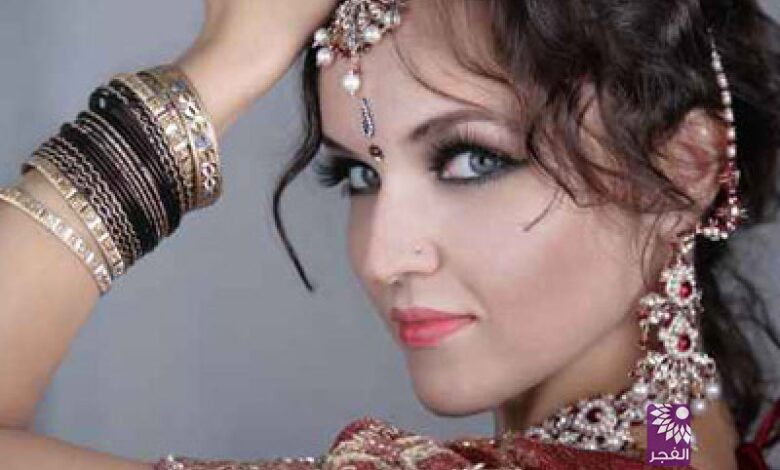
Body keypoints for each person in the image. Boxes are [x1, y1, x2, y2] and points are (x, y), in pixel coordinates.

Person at [0, 0, 778, 469]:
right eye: (360, 175)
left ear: (685, 170)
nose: (381, 256)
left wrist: (221, 66)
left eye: (472, 160)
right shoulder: (680, 432)